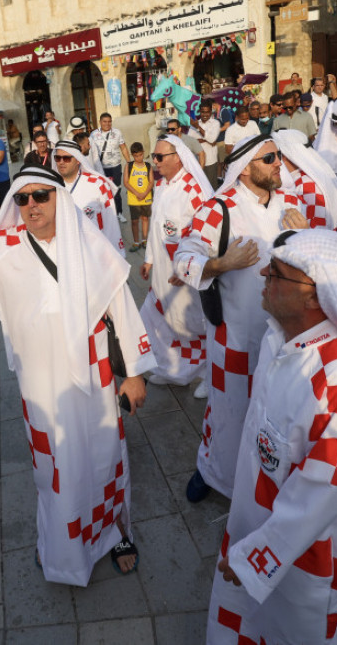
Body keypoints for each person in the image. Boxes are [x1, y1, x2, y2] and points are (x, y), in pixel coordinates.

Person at [0, 165, 155, 585]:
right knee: (53, 470)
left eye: (42, 196)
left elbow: (121, 308)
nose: (32, 205)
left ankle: (116, 532)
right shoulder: (1, 246)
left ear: (59, 197)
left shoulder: (89, 241)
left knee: (105, 459)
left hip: (95, 381)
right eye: (23, 198)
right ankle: (62, 548)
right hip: (40, 388)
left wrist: (134, 374)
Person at [207, 228, 337, 645]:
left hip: (309, 557)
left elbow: (318, 496)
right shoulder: (279, 338)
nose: (263, 272)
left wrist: (253, 558)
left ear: (317, 295)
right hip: (258, 525)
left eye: (278, 273)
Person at [175, 135, 307, 502]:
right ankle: (215, 472)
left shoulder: (292, 204)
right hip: (233, 336)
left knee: (274, 414)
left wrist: (307, 234)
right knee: (228, 411)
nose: (278, 163)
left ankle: (267, 484)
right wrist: (219, 264)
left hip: (283, 337)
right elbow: (184, 257)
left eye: (279, 156)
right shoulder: (219, 209)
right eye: (269, 159)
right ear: (246, 168)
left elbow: (316, 258)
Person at [139, 135, 212, 391]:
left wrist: (188, 270)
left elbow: (205, 236)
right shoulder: (160, 186)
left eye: (159, 157)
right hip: (161, 272)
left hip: (184, 275)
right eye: (153, 157)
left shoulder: (195, 190)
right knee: (159, 319)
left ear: (178, 157)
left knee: (190, 325)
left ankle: (206, 374)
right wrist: (149, 259)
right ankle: (175, 370)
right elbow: (157, 227)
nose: (154, 162)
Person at [52, 140, 125, 256]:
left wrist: (117, 256)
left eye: (66, 158)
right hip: (66, 254)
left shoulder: (98, 184)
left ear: (77, 160)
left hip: (95, 254)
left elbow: (111, 224)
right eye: (57, 158)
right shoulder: (51, 188)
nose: (61, 162)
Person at [272, 130, 337, 229]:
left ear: (287, 156)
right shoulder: (305, 177)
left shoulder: (306, 185)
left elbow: (316, 229)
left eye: (278, 155)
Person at [89, 113, 129, 221]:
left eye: (109, 121)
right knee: (103, 192)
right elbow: (90, 152)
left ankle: (119, 213)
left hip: (115, 166)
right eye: (104, 121)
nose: (107, 124)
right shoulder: (93, 135)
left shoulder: (117, 133)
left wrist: (129, 163)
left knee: (116, 190)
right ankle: (107, 215)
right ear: (100, 122)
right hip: (101, 168)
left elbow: (123, 148)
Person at [124, 142, 153, 252]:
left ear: (143, 153)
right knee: (134, 221)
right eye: (136, 156)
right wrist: (137, 193)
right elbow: (126, 182)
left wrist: (144, 194)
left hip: (146, 197)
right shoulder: (129, 166)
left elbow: (151, 182)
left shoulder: (148, 166)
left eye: (140, 155)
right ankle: (136, 242)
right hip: (133, 198)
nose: (138, 158)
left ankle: (144, 240)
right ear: (132, 155)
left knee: (145, 219)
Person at [191, 101, 222, 186]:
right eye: (203, 112)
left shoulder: (215, 123)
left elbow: (212, 139)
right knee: (200, 187)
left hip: (210, 161)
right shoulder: (194, 124)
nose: (205, 114)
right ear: (199, 112)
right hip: (197, 162)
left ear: (211, 111)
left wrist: (198, 128)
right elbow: (190, 142)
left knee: (211, 187)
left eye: (207, 112)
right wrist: (206, 139)